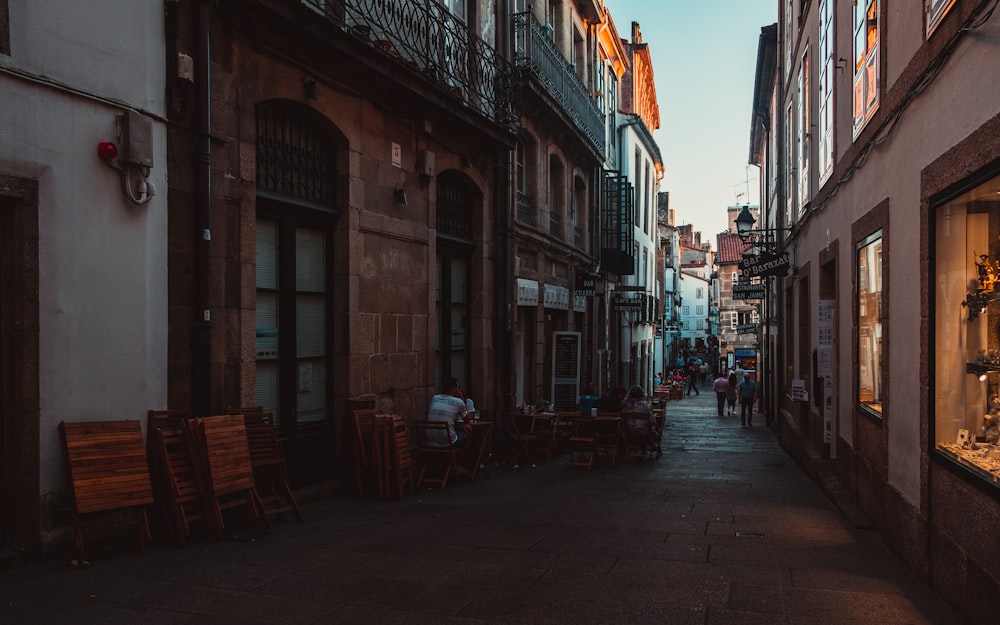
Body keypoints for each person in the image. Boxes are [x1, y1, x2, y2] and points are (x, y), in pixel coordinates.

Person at [426, 377, 471, 446]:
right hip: (448, 441)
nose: (459, 389)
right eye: (458, 387)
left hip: (430, 440)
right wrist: (462, 398)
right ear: (454, 388)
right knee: (468, 436)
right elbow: (467, 419)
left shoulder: (435, 398)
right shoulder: (458, 402)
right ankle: (461, 456)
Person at [622, 385, 659, 455]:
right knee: (652, 426)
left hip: (629, 430)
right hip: (644, 430)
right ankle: (649, 445)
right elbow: (651, 419)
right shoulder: (644, 405)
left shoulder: (626, 405)